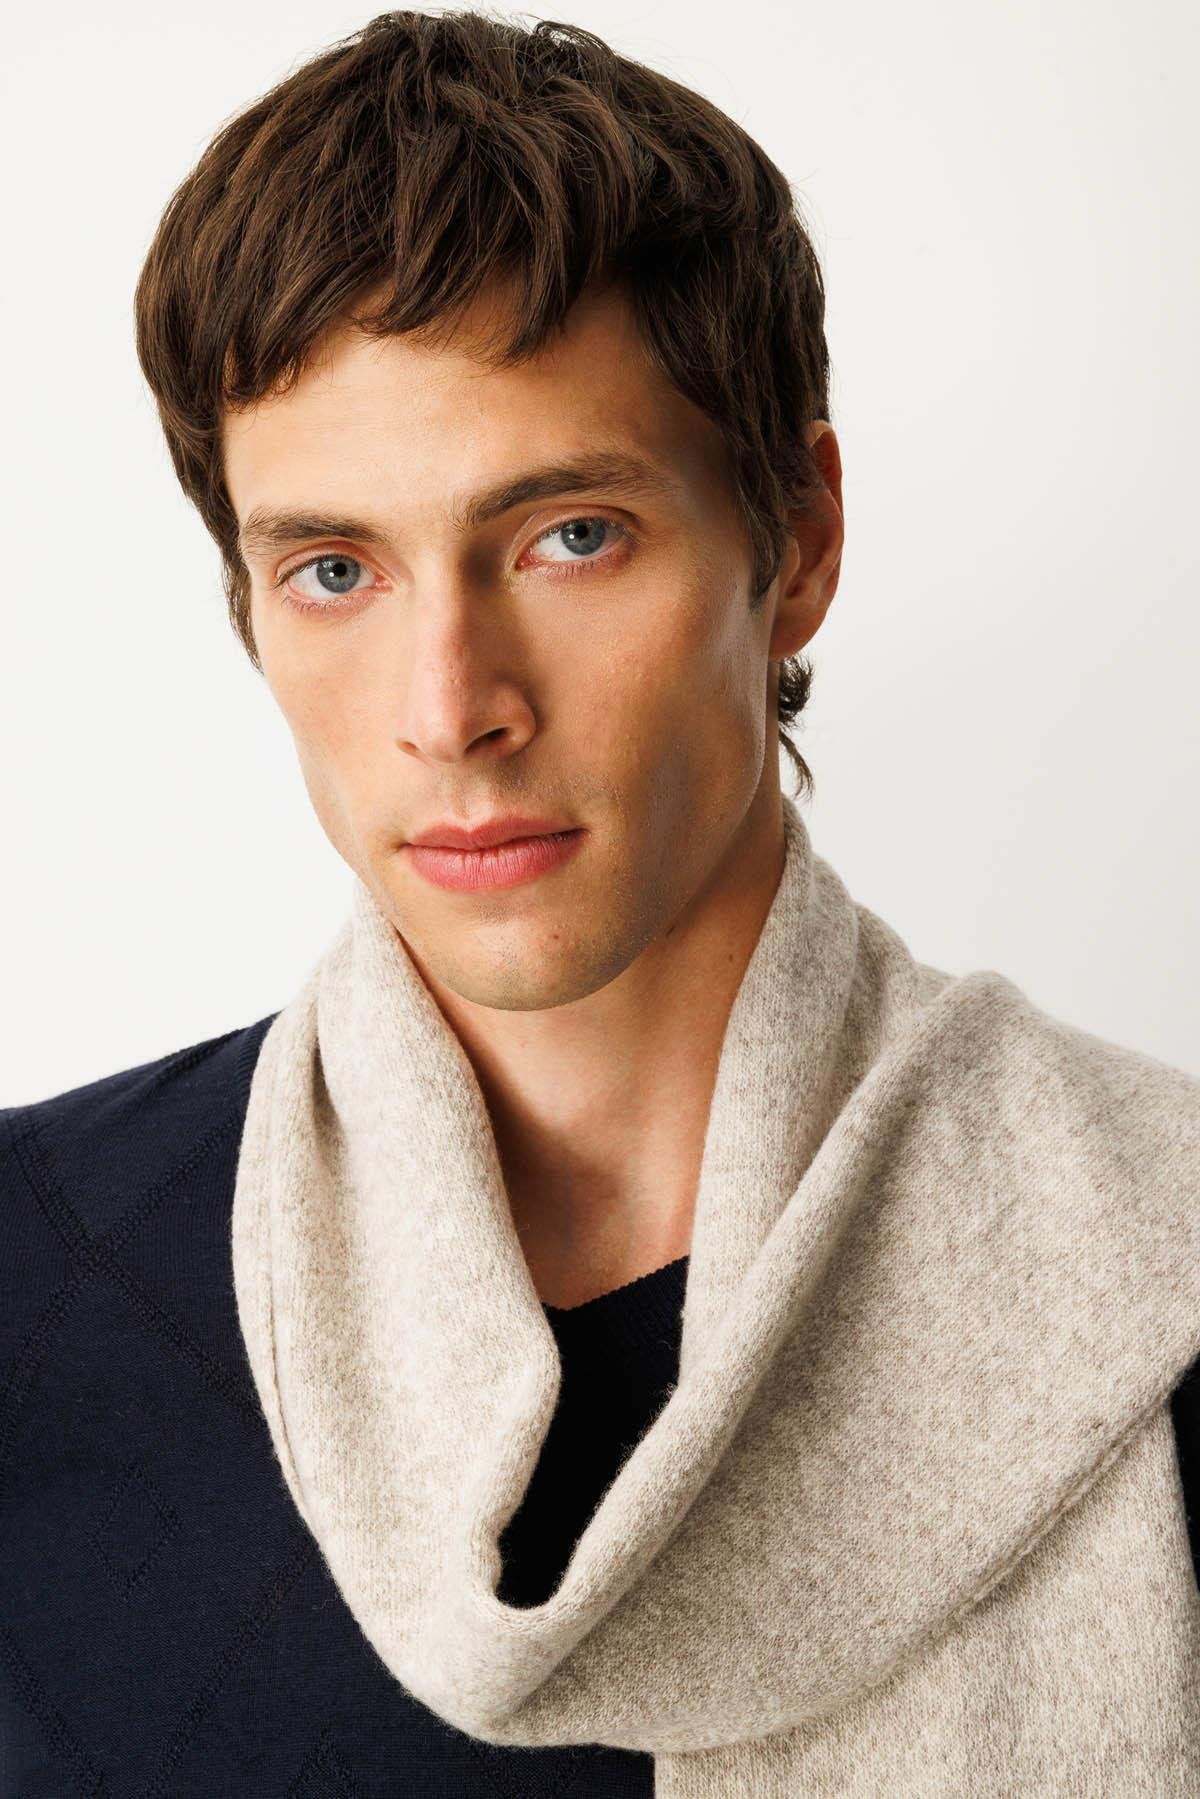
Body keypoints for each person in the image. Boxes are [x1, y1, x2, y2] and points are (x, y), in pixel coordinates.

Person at [3, 10, 1198, 1794]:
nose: (451, 706)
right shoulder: (32, 1280)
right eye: (333, 569)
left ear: (797, 541)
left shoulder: (1161, 1261)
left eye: (570, 535)